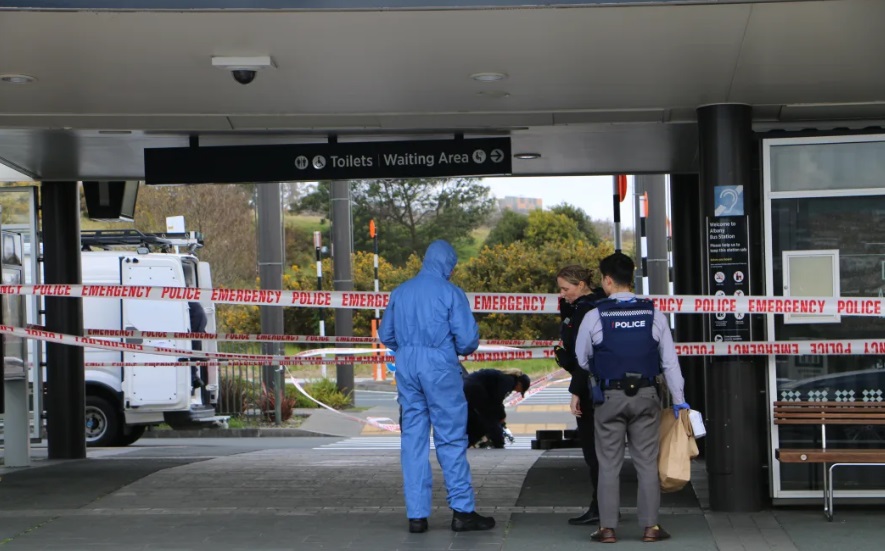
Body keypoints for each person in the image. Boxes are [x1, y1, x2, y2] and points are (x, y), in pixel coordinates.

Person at [378, 240, 495, 535]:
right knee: (451, 439)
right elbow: (468, 341)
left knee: (413, 441)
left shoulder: (401, 291)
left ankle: (416, 516)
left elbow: (386, 334)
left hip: (407, 366)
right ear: (448, 266)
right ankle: (462, 512)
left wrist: (408, 349)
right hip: (440, 367)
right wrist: (443, 349)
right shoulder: (451, 293)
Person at [574, 252, 689, 544]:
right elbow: (670, 362)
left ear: (608, 281)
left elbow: (582, 358)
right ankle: (651, 527)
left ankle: (607, 529)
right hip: (647, 396)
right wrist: (679, 400)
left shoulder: (594, 315)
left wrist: (604, 372)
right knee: (646, 463)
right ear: (631, 279)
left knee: (609, 464)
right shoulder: (654, 314)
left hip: (609, 397)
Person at [553, 265, 606, 525]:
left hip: (590, 387)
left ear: (582, 284)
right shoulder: (601, 303)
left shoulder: (585, 310)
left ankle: (601, 507)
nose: (562, 294)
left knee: (594, 452)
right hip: (609, 386)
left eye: (566, 288)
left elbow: (583, 356)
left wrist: (567, 364)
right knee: (609, 451)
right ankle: (607, 505)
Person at [463, 368, 530, 448]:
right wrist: (502, 417)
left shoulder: (505, 378)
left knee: (474, 416)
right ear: (520, 384)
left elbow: (495, 399)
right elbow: (497, 402)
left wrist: (501, 416)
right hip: (475, 388)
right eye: (521, 390)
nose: (518, 392)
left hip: (468, 385)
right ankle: (498, 443)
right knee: (490, 418)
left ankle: (469, 441)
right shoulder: (508, 381)